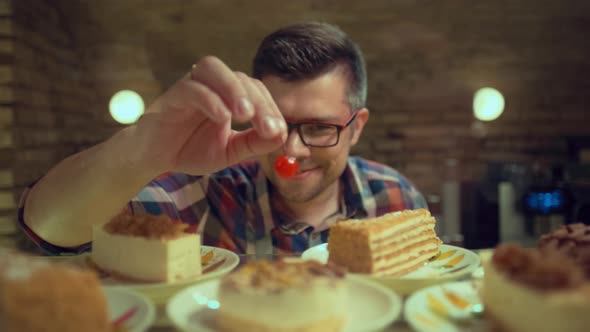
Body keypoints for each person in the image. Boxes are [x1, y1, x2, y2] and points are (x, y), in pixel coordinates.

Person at [18, 22, 427, 256]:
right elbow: (50, 226)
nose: (293, 151)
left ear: (356, 127)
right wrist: (140, 152)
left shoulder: (396, 198)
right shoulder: (211, 191)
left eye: (319, 128)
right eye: (278, 126)